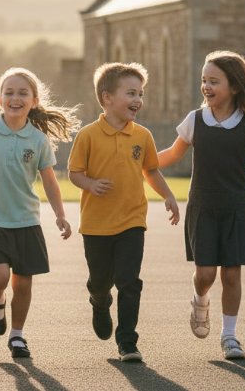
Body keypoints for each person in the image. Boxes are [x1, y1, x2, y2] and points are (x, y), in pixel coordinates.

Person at [157, 50, 245, 360]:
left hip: (237, 208)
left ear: (235, 86)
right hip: (204, 208)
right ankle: (200, 299)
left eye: (214, 81)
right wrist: (136, 162)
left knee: (231, 275)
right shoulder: (195, 120)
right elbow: (171, 155)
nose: (206, 86)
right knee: (205, 275)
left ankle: (229, 336)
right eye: (204, 80)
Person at [68, 62, 180, 363]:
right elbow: (74, 173)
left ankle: (127, 342)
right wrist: (90, 183)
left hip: (132, 221)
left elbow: (151, 170)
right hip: (96, 225)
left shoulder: (142, 136)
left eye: (140, 94)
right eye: (130, 93)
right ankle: (99, 300)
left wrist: (168, 195)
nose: (137, 100)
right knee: (101, 280)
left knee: (129, 280)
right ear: (107, 98)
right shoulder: (88, 135)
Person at [0, 67, 79, 359]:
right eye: (9, 92)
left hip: (27, 221)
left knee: (24, 282)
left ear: (34, 100)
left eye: (23, 93)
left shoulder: (37, 140)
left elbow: (50, 181)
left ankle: (17, 335)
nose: (15, 98)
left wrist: (60, 214)